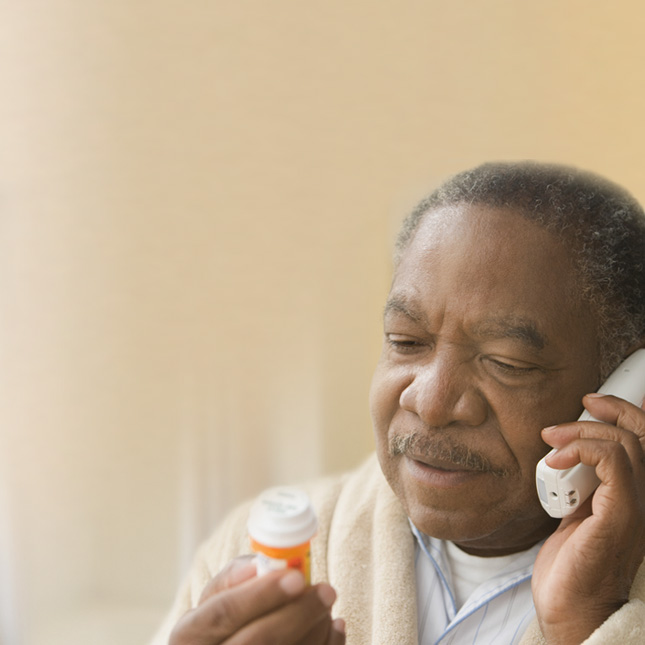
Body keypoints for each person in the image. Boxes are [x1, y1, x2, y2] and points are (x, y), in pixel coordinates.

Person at [151, 161, 645, 645]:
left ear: (624, 386)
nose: (430, 402)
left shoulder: (612, 601)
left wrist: (589, 623)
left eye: (506, 362)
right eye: (406, 341)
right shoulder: (259, 551)